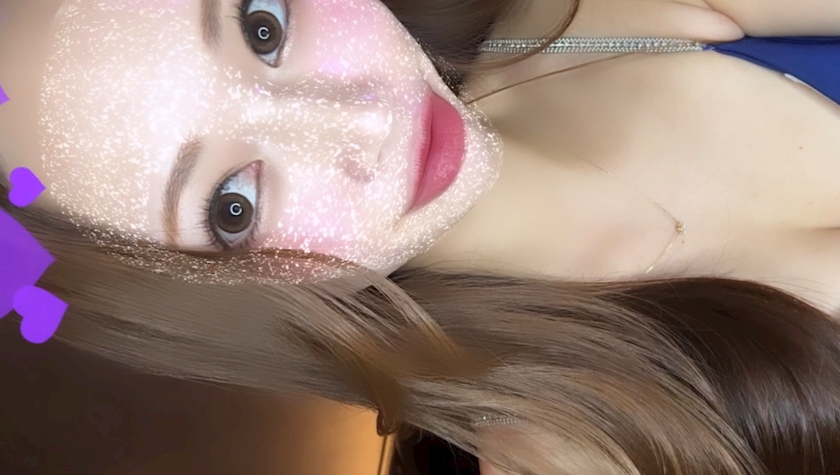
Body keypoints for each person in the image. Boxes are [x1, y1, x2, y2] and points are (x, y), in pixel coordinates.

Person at [1, 0, 839, 473]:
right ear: (219, 299)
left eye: (264, 28)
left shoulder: (592, 14)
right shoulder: (582, 447)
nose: (361, 121)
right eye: (232, 204)